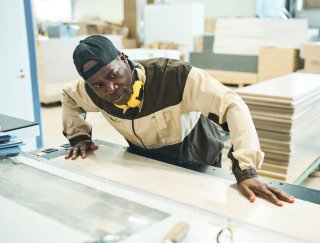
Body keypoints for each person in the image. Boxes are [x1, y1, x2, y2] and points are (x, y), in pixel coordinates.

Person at [62, 35, 294, 206]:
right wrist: (79, 135)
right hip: (146, 160)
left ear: (123, 59)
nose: (111, 88)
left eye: (114, 75)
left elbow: (233, 106)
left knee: (200, 209)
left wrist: (246, 170)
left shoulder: (176, 78)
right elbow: (69, 97)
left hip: (195, 153)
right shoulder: (90, 90)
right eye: (99, 85)